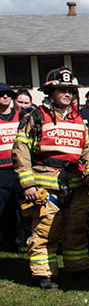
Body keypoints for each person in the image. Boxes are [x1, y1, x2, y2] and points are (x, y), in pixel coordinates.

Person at [13, 67, 89, 290]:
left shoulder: (79, 118)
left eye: (71, 90)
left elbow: (85, 151)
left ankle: (78, 267)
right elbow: (20, 149)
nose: (68, 94)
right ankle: (44, 274)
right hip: (45, 184)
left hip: (76, 184)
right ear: (50, 92)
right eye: (62, 90)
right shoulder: (35, 116)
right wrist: (28, 183)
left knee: (77, 229)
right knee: (45, 230)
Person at [0, 83, 24, 251]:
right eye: (2, 94)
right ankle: (10, 240)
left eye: (8, 94)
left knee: (23, 207)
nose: (6, 97)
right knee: (5, 209)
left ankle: (24, 240)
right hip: (2, 172)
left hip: (19, 168)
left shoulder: (20, 117)